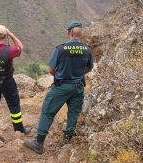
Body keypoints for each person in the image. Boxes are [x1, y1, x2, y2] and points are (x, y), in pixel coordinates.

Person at [25, 21, 94, 154]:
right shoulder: (87, 50)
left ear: (69, 33)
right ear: (81, 34)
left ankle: (39, 143)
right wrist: (79, 75)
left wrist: (61, 75)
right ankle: (66, 141)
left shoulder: (60, 49)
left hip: (61, 86)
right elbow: (89, 68)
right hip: (78, 87)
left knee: (48, 111)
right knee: (73, 113)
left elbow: (51, 70)